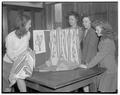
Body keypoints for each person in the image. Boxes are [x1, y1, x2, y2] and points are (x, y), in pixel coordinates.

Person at [3, 13, 35, 92]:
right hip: (9, 64)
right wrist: (18, 62)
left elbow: (26, 47)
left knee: (20, 80)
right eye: (29, 24)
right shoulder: (10, 37)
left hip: (21, 61)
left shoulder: (28, 34)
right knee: (7, 87)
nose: (30, 26)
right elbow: (10, 54)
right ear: (23, 25)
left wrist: (30, 53)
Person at [83, 21, 117, 92]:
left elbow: (99, 56)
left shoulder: (107, 41)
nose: (95, 31)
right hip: (104, 68)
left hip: (109, 70)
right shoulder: (103, 39)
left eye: (97, 30)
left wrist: (88, 66)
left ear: (104, 30)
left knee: (105, 90)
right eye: (95, 29)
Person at [81, 16, 99, 92]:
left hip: (91, 61)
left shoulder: (93, 32)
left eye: (86, 21)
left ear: (90, 22)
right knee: (84, 82)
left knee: (92, 83)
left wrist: (87, 62)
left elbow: (91, 48)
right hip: (85, 59)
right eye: (83, 21)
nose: (84, 23)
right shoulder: (85, 31)